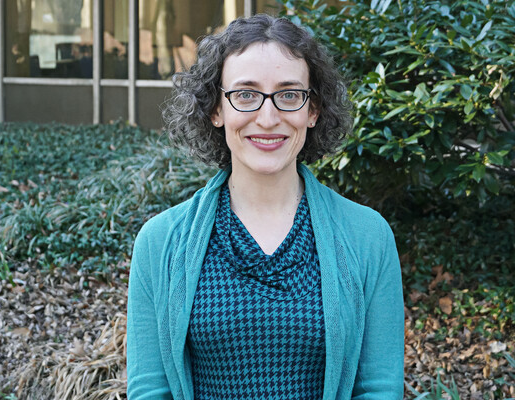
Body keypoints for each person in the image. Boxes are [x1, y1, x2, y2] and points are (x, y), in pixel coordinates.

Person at [126, 14, 404, 400]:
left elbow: (378, 388)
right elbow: (151, 390)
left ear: (313, 110)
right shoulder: (159, 243)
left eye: (289, 94)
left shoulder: (368, 237)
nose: (269, 118)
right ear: (215, 110)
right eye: (245, 94)